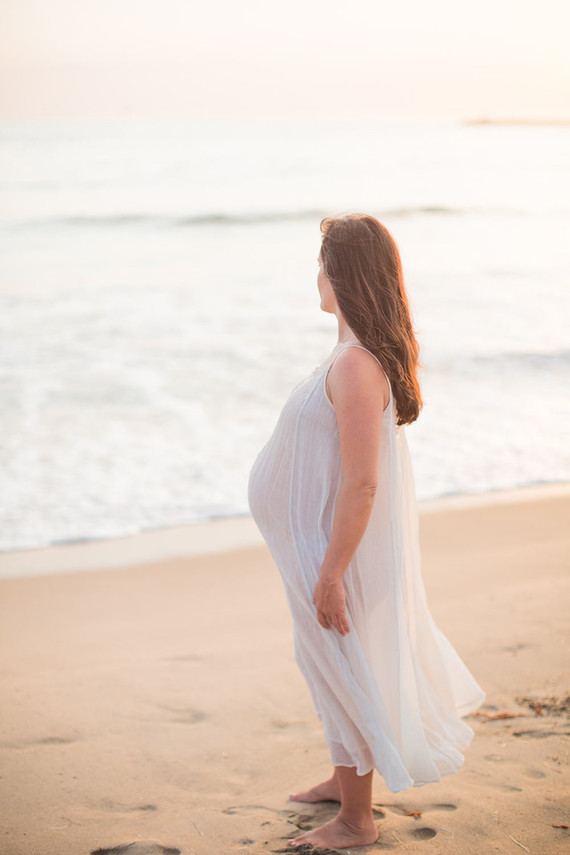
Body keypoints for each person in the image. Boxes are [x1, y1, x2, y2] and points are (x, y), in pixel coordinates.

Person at [247, 213, 486, 850]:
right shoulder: (348, 355)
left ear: (342, 273)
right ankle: (342, 778)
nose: (316, 276)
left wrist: (331, 573)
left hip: (332, 553)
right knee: (322, 661)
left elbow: (362, 484)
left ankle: (357, 819)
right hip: (313, 547)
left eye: (322, 264)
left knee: (343, 667)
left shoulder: (356, 366)